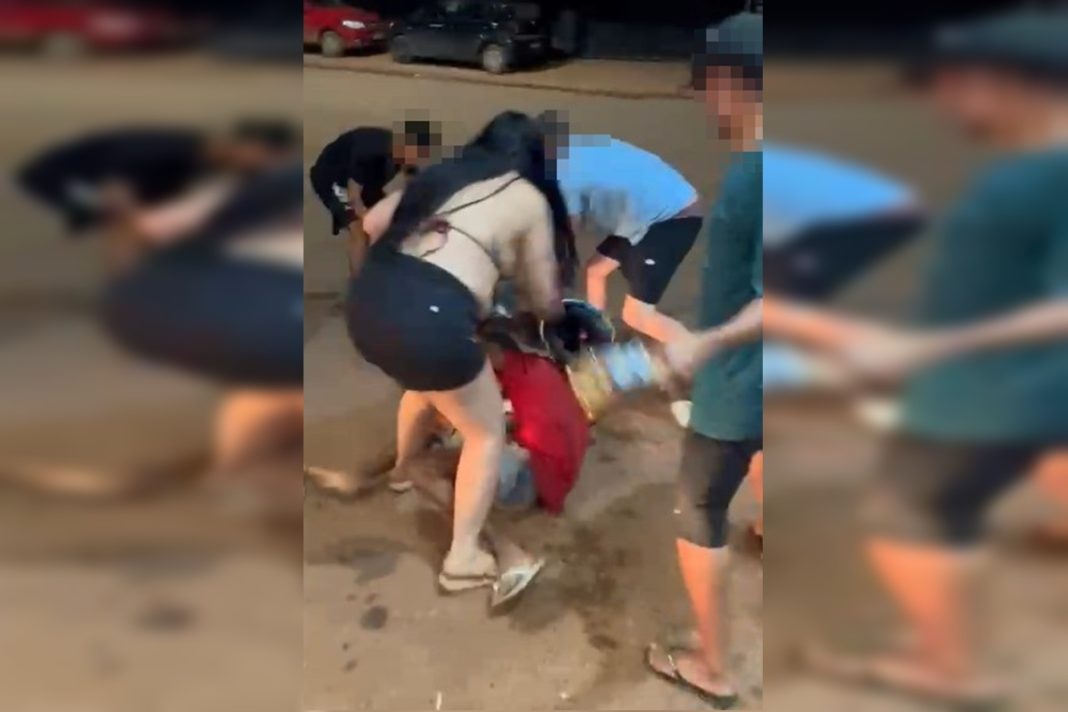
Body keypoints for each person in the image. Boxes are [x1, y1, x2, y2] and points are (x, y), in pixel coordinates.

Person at [767, 9, 1068, 706]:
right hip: (1005, 384)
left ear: (1013, 80)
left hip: (988, 392)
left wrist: (932, 346)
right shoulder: (1031, 166)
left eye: (955, 85)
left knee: (907, 517)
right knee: (1007, 471)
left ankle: (948, 666)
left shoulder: (1049, 174)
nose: (944, 103)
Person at [345, 111, 577, 598]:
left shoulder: (444, 174)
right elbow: (543, 300)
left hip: (368, 305)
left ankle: (404, 472)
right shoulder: (526, 196)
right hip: (430, 319)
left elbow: (372, 221)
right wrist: (552, 311)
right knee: (485, 433)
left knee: (425, 389)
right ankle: (463, 558)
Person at [16, 120, 304, 511]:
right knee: (276, 384)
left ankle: (243, 465)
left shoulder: (215, 176)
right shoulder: (169, 155)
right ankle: (239, 471)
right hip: (68, 185)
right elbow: (126, 216)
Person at [642, 12, 763, 708]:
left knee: (698, 506)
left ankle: (713, 666)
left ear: (729, 83)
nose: (701, 105)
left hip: (744, 379)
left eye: (704, 89)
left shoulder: (757, 173)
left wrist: (702, 345)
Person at [538, 113, 702, 346]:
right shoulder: (576, 147)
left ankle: (701, 352)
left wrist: (550, 279)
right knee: (595, 271)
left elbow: (568, 236)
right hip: (646, 210)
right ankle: (598, 339)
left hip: (670, 217)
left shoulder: (565, 177)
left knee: (638, 316)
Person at [309, 120, 439, 275]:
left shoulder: (403, 153)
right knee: (359, 232)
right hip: (335, 181)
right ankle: (359, 283)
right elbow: (354, 197)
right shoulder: (370, 153)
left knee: (392, 220)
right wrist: (367, 220)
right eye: (416, 154)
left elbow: (413, 186)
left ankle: (380, 267)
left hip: (368, 182)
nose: (416, 160)